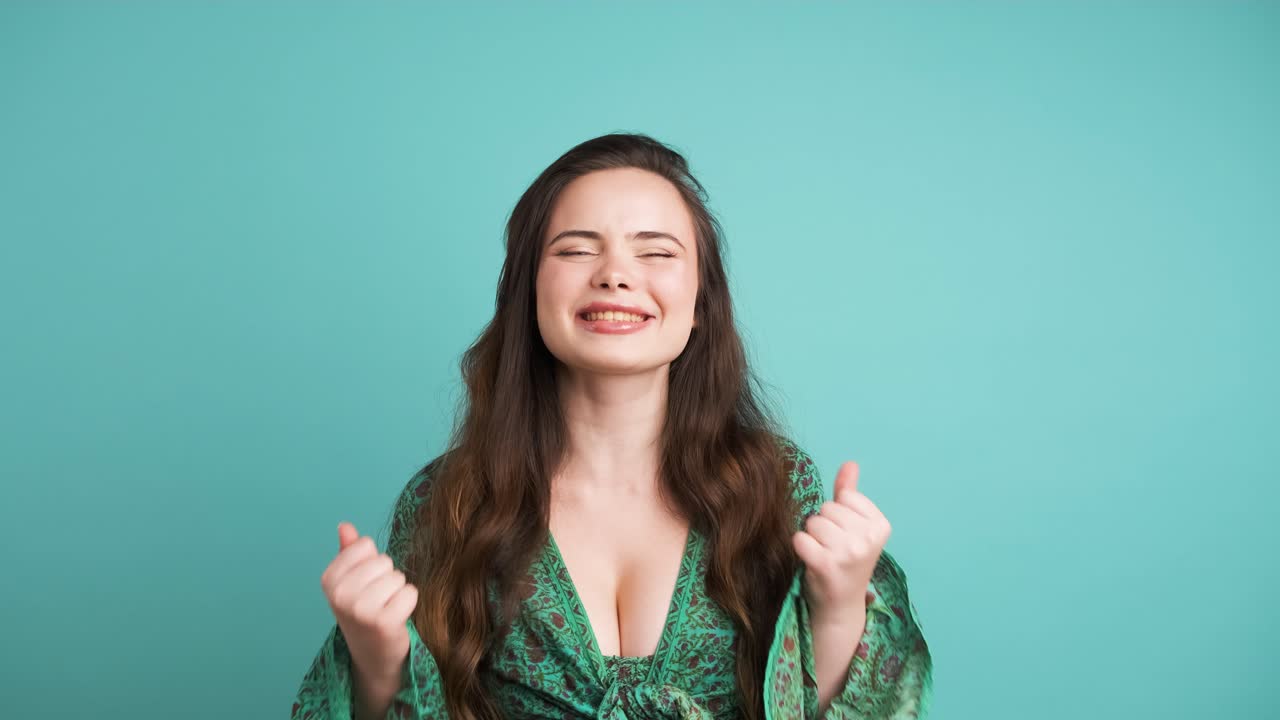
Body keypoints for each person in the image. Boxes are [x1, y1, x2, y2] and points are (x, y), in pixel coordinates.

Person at [291, 133, 933, 720]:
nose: (615, 274)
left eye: (655, 251)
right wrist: (377, 659)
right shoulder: (450, 503)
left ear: (700, 305)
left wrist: (842, 602)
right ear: (527, 293)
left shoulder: (775, 487)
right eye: (576, 249)